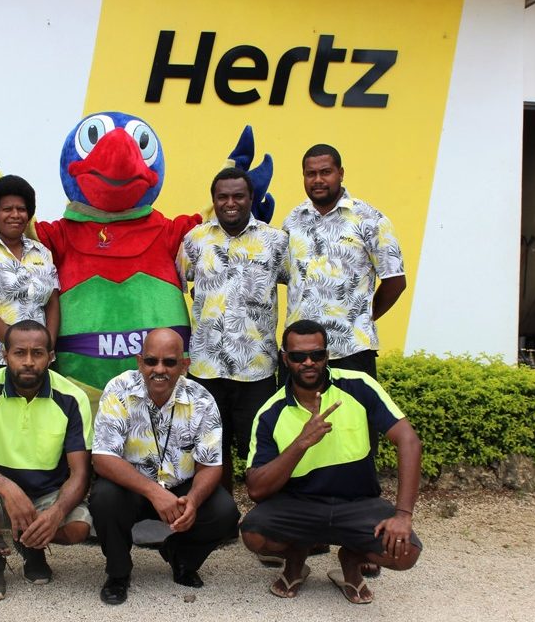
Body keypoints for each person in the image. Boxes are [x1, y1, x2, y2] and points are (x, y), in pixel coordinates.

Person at [240, 320, 422, 603]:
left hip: (358, 503)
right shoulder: (270, 412)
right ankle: (296, 556)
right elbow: (256, 489)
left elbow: (409, 442)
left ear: (327, 355)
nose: (308, 362)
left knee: (406, 552)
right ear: (285, 359)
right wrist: (301, 443)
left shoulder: (359, 386)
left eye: (317, 354)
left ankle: (351, 559)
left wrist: (403, 515)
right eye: (298, 356)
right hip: (299, 505)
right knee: (254, 534)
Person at [89, 328, 240, 605]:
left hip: (180, 489)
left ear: (184, 365)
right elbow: (102, 457)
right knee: (104, 497)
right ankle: (118, 574)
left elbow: (210, 465)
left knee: (224, 511)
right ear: (140, 362)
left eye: (170, 362)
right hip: (133, 487)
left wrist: (193, 500)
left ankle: (180, 557)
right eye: (151, 361)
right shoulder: (118, 389)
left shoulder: (202, 399)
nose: (159, 369)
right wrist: (154, 492)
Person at [0, 320, 92, 601]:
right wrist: (8, 489)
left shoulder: (72, 397)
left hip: (46, 494)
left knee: (78, 528)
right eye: (19, 353)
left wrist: (57, 512)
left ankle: (31, 546)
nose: (28, 361)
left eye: (37, 353)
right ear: (5, 355)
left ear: (50, 357)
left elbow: (80, 473)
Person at [177, 166, 288, 492]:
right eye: (222, 197)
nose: (230, 203)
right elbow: (178, 286)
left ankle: (268, 515)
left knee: (263, 448)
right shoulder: (195, 240)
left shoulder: (276, 241)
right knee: (212, 450)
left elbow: (297, 288)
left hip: (257, 369)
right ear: (213, 200)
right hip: (206, 368)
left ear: (251, 198)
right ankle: (221, 513)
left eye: (238, 196)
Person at [283, 144, 406, 379]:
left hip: (351, 350)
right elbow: (287, 275)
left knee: (353, 406)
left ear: (340, 173)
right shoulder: (293, 220)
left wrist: (363, 318)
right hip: (299, 353)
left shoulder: (370, 219)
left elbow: (395, 282)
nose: (318, 180)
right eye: (311, 174)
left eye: (325, 172)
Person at [0, 175, 60, 382]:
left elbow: (52, 303)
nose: (15, 215)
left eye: (21, 209)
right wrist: (20, 346)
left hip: (39, 363)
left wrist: (47, 344)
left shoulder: (42, 252)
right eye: (7, 209)